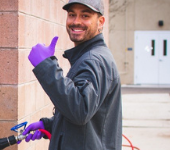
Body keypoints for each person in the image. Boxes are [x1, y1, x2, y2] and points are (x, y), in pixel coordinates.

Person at [19, 0, 122, 149]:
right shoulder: (88, 56)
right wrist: (49, 125)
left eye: (85, 16)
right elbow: (89, 119)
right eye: (72, 15)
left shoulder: (94, 60)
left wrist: (46, 66)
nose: (76, 22)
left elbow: (80, 111)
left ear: (100, 22)